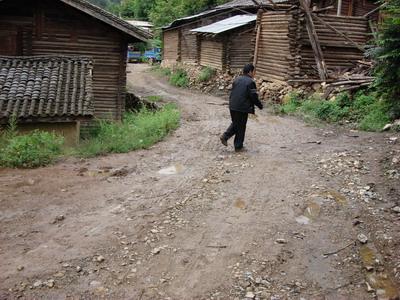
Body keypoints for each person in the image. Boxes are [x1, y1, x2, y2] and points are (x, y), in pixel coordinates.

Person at [220, 63, 263, 152]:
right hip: (242, 107)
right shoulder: (251, 82)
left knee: (236, 124)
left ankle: (230, 140)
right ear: (250, 72)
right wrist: (260, 105)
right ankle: (234, 144)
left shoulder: (237, 79)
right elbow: (253, 96)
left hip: (232, 105)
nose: (254, 74)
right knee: (241, 126)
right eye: (254, 71)